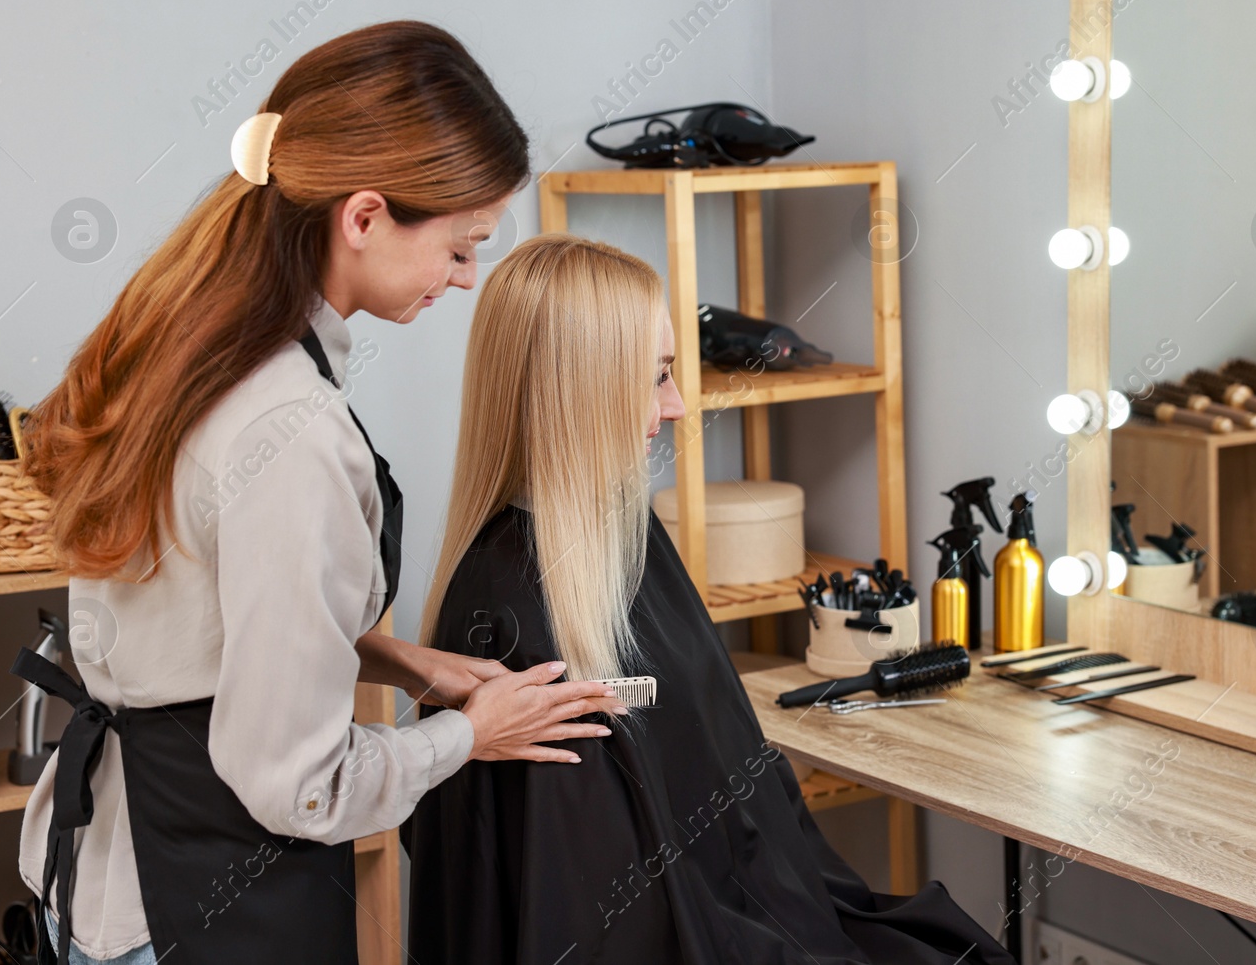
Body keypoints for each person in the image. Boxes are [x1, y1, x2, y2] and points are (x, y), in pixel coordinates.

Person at [16, 22, 621, 965]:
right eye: (461, 248)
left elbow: (193, 607)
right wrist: (466, 734)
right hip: (193, 908)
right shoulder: (291, 429)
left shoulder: (181, 336)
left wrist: (401, 662)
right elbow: (299, 786)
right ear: (366, 215)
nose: (466, 281)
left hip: (101, 880)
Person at [405, 234, 1015, 965]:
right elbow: (594, 916)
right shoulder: (510, 606)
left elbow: (732, 784)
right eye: (656, 376)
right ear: (581, 388)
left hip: (754, 912)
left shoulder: (623, 539)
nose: (679, 405)